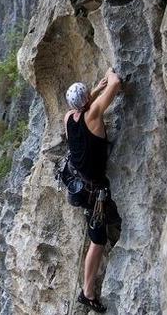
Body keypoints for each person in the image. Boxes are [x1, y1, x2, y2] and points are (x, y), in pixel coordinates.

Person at [63, 67, 122, 313]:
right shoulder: (94, 114)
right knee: (97, 241)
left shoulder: (68, 117)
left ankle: (88, 290)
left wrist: (95, 90)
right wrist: (109, 74)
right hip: (93, 192)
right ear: (88, 100)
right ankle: (87, 293)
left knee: (95, 233)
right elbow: (116, 83)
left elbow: (84, 106)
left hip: (74, 181)